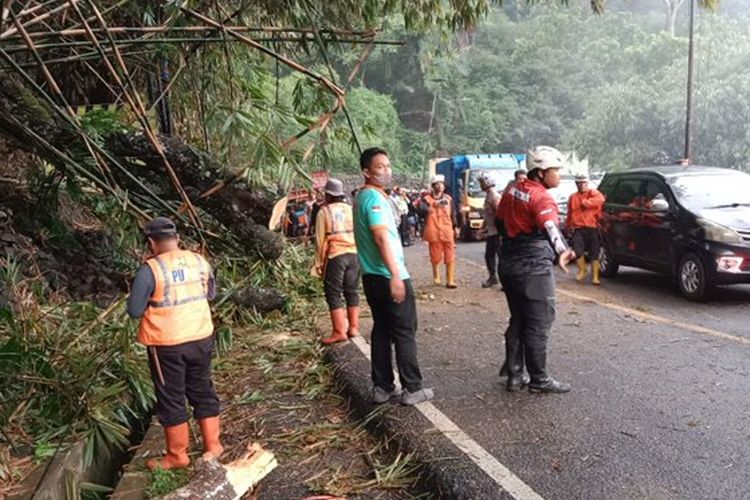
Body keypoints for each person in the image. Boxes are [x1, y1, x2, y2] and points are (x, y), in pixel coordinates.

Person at [127, 217, 222, 470]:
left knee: (171, 397)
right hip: (201, 336)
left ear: (151, 243)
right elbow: (211, 293)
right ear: (177, 239)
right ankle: (213, 446)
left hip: (167, 343)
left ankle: (177, 455)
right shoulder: (199, 261)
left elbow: (134, 310)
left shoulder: (151, 269)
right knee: (202, 388)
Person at [354, 147, 433, 406]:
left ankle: (383, 386)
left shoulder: (367, 197)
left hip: (372, 276)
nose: (386, 171)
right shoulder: (373, 200)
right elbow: (379, 236)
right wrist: (396, 275)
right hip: (387, 275)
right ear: (367, 172)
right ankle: (412, 387)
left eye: (388, 165)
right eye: (380, 167)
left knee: (382, 330)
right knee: (404, 331)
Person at [497, 146, 576, 394]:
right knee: (539, 322)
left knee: (519, 318)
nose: (559, 175)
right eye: (556, 170)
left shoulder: (512, 189)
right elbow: (550, 225)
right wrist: (562, 249)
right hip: (533, 265)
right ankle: (539, 379)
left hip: (508, 262)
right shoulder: (541, 197)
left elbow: (499, 219)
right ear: (540, 173)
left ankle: (515, 374)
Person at [312, 178, 361, 344]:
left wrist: (318, 264)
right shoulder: (351, 209)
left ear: (328, 195)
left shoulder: (324, 212)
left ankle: (339, 331)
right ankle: (353, 328)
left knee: (333, 293)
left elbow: (319, 240)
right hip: (354, 254)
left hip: (336, 255)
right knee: (351, 291)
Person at [566, 174, 606, 285]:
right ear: (576, 184)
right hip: (578, 227)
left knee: (595, 251)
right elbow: (570, 213)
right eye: (580, 183)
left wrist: (586, 203)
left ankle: (595, 277)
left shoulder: (593, 193)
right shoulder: (573, 197)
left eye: (584, 183)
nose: (582, 185)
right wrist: (568, 226)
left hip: (592, 227)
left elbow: (601, 199)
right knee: (578, 250)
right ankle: (582, 270)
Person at [421, 174, 459, 289]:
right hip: (434, 231)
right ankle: (436, 276)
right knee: (435, 256)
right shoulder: (426, 199)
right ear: (433, 186)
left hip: (447, 229)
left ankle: (450, 280)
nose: (440, 186)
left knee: (450, 254)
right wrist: (429, 207)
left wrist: (456, 226)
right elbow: (419, 209)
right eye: (437, 184)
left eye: (441, 184)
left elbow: (453, 213)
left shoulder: (448, 199)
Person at [479, 175, 502, 288]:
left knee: (499, 256)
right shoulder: (488, 196)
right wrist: (483, 228)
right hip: (491, 231)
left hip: (496, 232)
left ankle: (503, 280)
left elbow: (499, 214)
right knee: (490, 255)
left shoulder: (494, 196)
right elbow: (488, 215)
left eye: (482, 182)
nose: (481, 185)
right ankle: (493, 277)